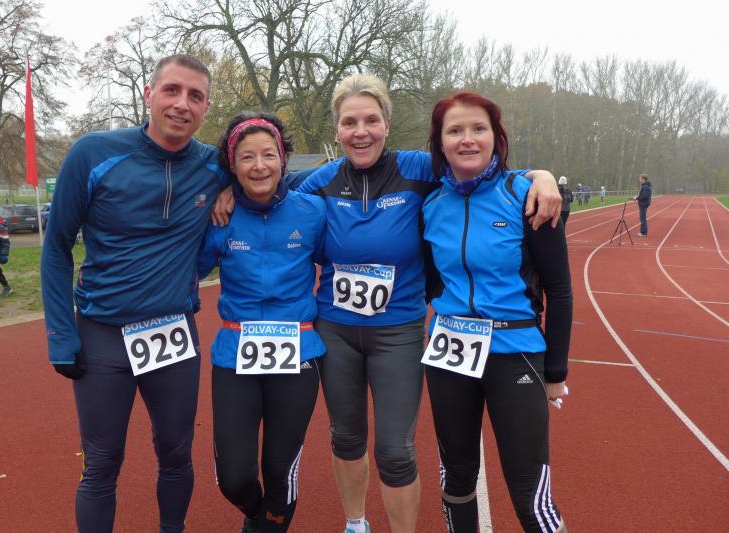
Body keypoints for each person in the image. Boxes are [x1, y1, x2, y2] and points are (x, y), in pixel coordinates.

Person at [212, 74, 561, 533]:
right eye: (350, 122)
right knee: (345, 437)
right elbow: (265, 180)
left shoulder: (418, 168)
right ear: (337, 130)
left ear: (387, 124)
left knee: (395, 451)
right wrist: (227, 188)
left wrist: (540, 176)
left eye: (371, 120)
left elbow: (477, 162)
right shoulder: (320, 181)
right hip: (336, 330)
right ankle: (355, 523)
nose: (361, 132)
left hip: (398, 332)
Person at [40, 54, 229, 533]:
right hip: (103, 334)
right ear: (149, 94)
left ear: (206, 108)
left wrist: (233, 190)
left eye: (196, 96)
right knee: (102, 460)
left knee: (176, 452)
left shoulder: (215, 165)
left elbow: (270, 171)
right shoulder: (93, 153)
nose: (182, 104)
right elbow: (56, 248)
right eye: (171, 90)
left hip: (173, 333)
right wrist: (61, 336)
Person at [421, 91, 572, 533]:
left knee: (530, 496)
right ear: (441, 142)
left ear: (496, 137)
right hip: (449, 355)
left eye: (478, 128)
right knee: (456, 478)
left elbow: (560, 290)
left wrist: (555, 371)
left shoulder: (528, 196)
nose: (467, 139)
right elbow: (432, 278)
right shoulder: (431, 205)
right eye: (455, 130)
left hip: (514, 353)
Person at [198, 112, 326, 532]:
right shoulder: (221, 215)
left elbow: (345, 256)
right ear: (232, 166)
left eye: (268, 155)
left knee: (279, 471)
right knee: (234, 478)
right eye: (247, 157)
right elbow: (191, 270)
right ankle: (257, 517)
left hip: (298, 356)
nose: (259, 166)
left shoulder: (312, 211)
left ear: (283, 159)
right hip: (235, 357)